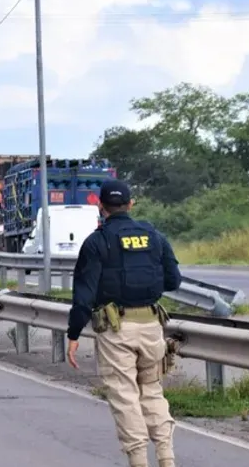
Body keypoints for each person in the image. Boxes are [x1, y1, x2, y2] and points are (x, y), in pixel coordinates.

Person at [66, 179, 182, 467]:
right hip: (152, 327)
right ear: (131, 204)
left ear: (101, 206)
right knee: (152, 391)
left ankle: (139, 461)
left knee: (125, 396)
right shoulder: (154, 236)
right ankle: (167, 458)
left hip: (116, 330)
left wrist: (73, 334)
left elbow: (84, 294)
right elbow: (173, 280)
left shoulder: (97, 241)